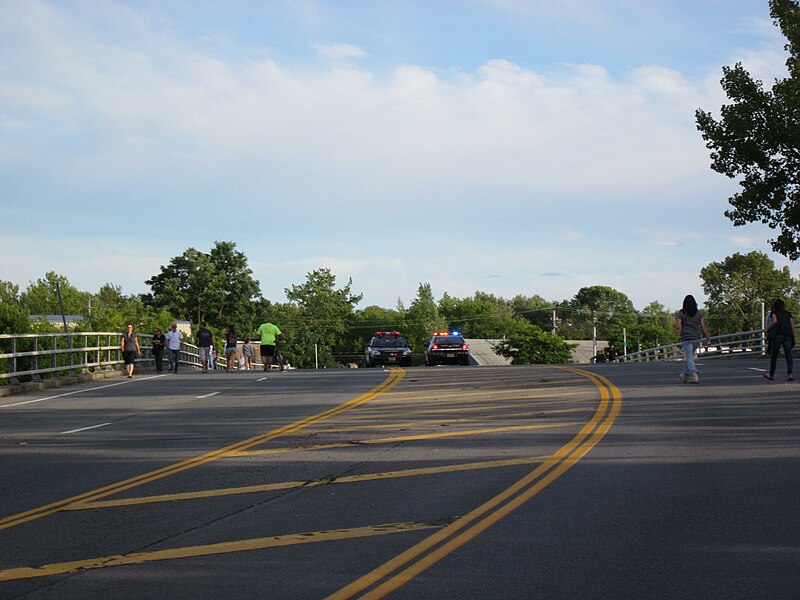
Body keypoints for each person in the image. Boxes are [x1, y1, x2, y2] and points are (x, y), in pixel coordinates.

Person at [675, 295, 711, 384]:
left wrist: (677, 330)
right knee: (690, 356)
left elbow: (678, 326)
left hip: (686, 337)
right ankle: (685, 375)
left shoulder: (681, 313)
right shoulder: (699, 313)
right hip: (696, 337)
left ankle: (694, 373)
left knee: (689, 357)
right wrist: (707, 337)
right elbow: (703, 327)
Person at [763, 298, 796, 381]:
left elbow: (774, 321)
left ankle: (771, 374)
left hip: (778, 335)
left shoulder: (774, 312)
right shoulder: (788, 314)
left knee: (774, 355)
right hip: (788, 335)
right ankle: (790, 374)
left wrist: (767, 329)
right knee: (788, 355)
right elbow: (792, 325)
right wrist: (794, 337)